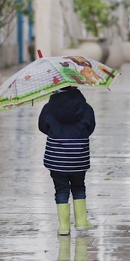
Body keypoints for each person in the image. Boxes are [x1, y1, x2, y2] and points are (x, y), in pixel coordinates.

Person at [38, 86, 95, 235]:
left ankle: (64, 226)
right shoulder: (86, 108)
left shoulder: (49, 108)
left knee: (61, 190)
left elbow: (42, 127)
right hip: (79, 158)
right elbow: (91, 127)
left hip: (56, 159)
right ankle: (81, 221)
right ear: (75, 87)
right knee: (78, 187)